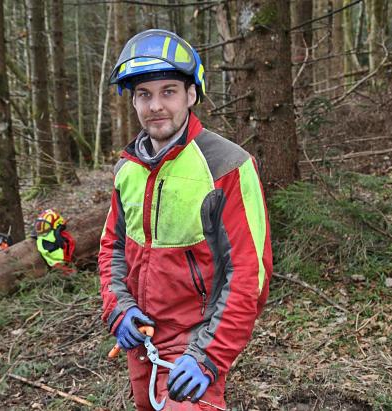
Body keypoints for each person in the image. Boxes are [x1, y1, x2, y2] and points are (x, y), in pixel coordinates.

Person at [99, 29, 273, 410]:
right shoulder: (127, 169)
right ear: (132, 101)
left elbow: (249, 275)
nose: (155, 105)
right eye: (144, 94)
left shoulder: (227, 166)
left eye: (168, 91)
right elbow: (112, 249)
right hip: (141, 335)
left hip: (196, 338)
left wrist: (208, 355)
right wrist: (119, 308)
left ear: (192, 94)